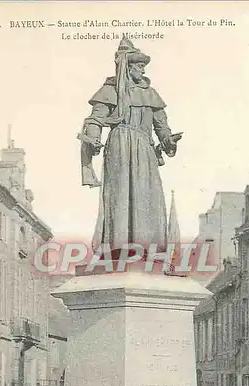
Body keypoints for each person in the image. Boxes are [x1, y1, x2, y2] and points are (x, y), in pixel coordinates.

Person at [80, 36, 179, 258]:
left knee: (147, 194)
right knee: (120, 193)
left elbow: (161, 125)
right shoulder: (110, 89)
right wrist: (94, 138)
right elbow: (95, 119)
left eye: (144, 66)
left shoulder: (150, 93)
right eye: (139, 66)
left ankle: (146, 247)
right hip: (119, 146)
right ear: (127, 66)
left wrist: (168, 140)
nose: (143, 71)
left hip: (144, 148)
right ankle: (118, 246)